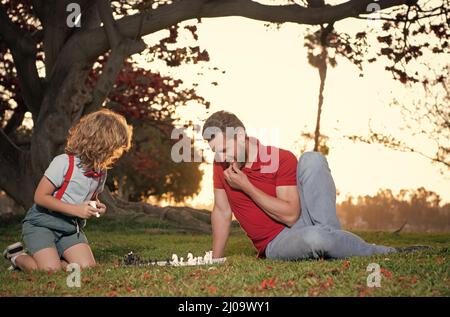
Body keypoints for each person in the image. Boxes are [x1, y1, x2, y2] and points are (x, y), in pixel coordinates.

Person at [203, 110, 429, 260]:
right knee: (316, 238)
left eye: (223, 149)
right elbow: (222, 211)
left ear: (240, 136)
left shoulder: (280, 158)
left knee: (312, 159)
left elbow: (291, 215)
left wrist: (247, 186)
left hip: (303, 219)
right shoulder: (221, 165)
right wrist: (215, 259)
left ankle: (335, 243)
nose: (221, 157)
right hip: (277, 242)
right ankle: (339, 244)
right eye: (216, 152)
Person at [3, 109, 133, 271]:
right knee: (50, 270)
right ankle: (17, 257)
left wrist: (97, 206)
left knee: (87, 267)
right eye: (112, 149)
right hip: (42, 225)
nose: (115, 154)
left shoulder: (101, 173)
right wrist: (76, 210)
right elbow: (40, 197)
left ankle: (53, 258)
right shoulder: (64, 163)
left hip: (70, 229)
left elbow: (91, 198)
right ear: (98, 143)